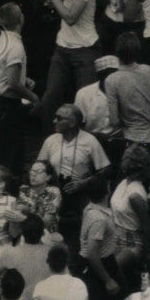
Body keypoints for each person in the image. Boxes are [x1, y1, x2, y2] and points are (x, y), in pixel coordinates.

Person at [40, 0, 102, 132]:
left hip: (83, 49)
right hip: (64, 46)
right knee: (51, 97)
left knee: (85, 102)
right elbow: (69, 3)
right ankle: (50, 143)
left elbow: (71, 17)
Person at [35, 103, 112, 249]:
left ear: (72, 122)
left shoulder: (90, 141)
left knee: (81, 234)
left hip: (80, 193)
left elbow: (106, 169)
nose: (54, 121)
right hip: (54, 192)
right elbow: (40, 166)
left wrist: (84, 183)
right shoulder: (51, 140)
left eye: (59, 118)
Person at [104, 32, 150, 179]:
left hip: (134, 142)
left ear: (117, 53)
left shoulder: (112, 80)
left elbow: (114, 121)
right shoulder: (149, 70)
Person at [0, 2, 39, 176]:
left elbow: (4, 73)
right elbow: (13, 83)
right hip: (7, 107)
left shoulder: (1, 40)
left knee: (0, 155)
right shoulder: (16, 46)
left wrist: (24, 79)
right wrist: (33, 97)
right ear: (20, 19)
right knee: (9, 160)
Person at [77, 175, 123, 300]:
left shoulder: (90, 208)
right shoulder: (99, 219)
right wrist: (107, 280)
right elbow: (93, 254)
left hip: (102, 263)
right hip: (100, 266)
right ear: (107, 191)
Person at [110, 143, 150, 291]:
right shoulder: (123, 183)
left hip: (132, 243)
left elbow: (147, 226)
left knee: (113, 268)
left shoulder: (136, 195)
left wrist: (147, 258)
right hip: (116, 238)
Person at [17, 159, 62, 235]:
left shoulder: (53, 192)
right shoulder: (24, 189)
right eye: (32, 171)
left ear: (48, 177)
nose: (33, 174)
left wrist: (24, 217)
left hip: (46, 234)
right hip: (26, 234)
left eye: (38, 171)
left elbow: (46, 223)